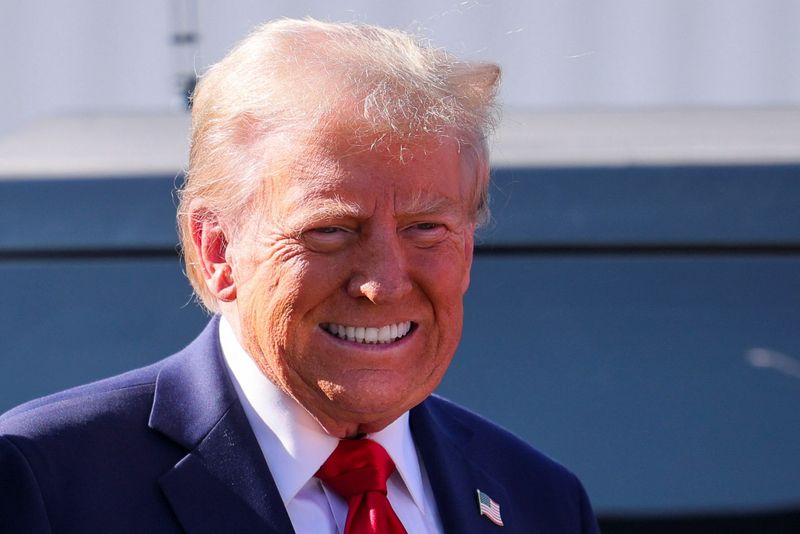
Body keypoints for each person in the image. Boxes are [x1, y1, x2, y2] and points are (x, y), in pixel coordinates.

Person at [0, 18, 599, 533]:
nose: (384, 283)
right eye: (331, 231)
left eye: (425, 229)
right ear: (216, 251)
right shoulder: (45, 484)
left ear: (467, 250)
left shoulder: (539, 500)